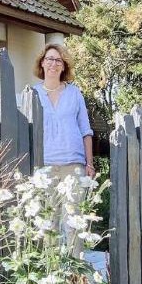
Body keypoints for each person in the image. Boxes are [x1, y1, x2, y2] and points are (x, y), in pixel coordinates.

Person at [32, 43, 95, 255]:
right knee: (49, 223)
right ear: (42, 63)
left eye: (58, 60)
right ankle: (51, 271)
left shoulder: (74, 93)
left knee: (73, 224)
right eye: (49, 59)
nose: (53, 63)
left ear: (63, 66)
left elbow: (86, 130)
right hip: (45, 166)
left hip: (73, 166)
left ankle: (75, 271)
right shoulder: (32, 93)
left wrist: (89, 163)